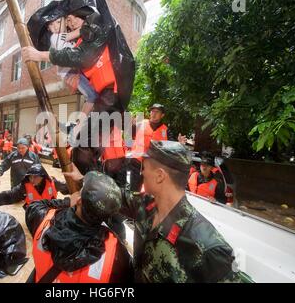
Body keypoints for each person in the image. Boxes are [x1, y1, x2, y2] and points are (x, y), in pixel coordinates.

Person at [65, 141, 252, 283]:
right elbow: (115, 195)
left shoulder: (205, 243)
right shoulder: (147, 206)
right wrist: (83, 180)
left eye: (144, 168)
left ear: (160, 175)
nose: (141, 173)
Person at [25, 171, 133, 283]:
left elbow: (33, 206)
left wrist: (67, 202)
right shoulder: (116, 253)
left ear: (79, 200)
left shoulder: (43, 219)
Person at [126, 103, 187, 192]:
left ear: (162, 115)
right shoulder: (140, 124)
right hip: (136, 164)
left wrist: (179, 144)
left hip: (153, 167)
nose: (153, 113)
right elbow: (128, 137)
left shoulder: (166, 131)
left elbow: (172, 148)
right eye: (152, 111)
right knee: (133, 191)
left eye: (157, 112)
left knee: (151, 193)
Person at [47, 16, 98, 118]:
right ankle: (80, 121)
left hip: (75, 70)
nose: (55, 27)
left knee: (93, 92)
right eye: (51, 25)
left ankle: (86, 117)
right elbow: (80, 31)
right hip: (69, 72)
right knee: (92, 95)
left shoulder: (70, 39)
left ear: (65, 23)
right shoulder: (55, 37)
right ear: (48, 29)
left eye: (58, 22)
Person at [0, 164, 67, 210]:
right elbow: (9, 195)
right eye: (30, 177)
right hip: (33, 216)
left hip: (49, 212)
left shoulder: (54, 183)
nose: (32, 180)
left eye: (35, 177)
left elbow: (70, 188)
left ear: (43, 176)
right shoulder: (24, 187)